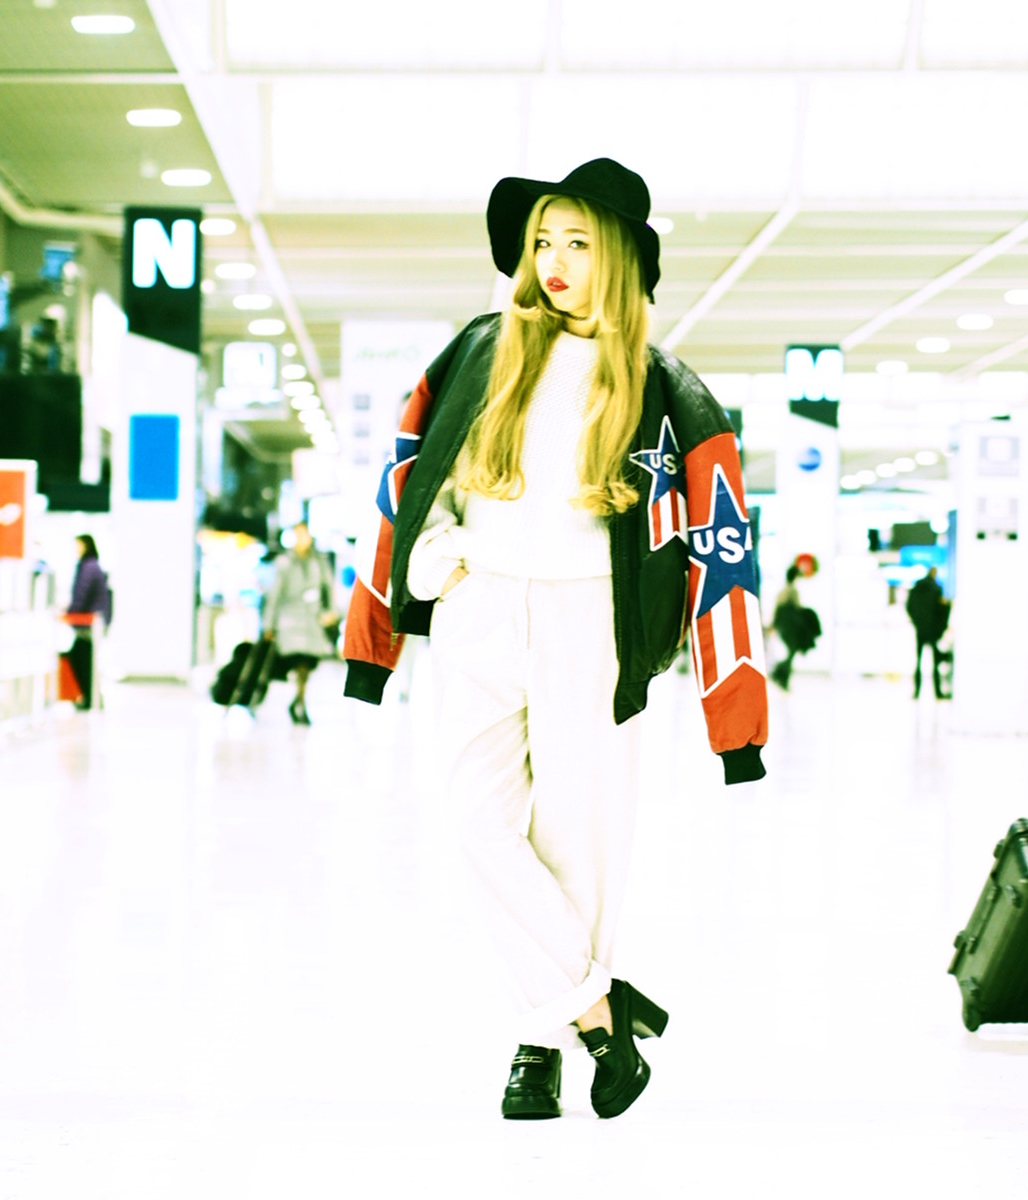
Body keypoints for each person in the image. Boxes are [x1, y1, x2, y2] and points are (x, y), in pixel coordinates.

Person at [341, 158, 769, 1121]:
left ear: (618, 257)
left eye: (577, 241)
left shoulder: (663, 387)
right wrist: (434, 563)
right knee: (475, 824)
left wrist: (735, 723)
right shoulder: (480, 351)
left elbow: (724, 545)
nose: (554, 261)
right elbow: (414, 475)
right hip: (481, 608)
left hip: (597, 624)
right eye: (542, 241)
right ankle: (600, 1011)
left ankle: (539, 1048)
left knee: (580, 845)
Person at [262, 522, 337, 724]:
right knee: (298, 663)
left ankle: (298, 700)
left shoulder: (319, 561)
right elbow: (274, 595)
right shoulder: (284, 562)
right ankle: (300, 703)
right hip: (290, 620)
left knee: (307, 663)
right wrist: (269, 624)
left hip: (312, 619)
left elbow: (328, 588)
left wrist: (330, 612)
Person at [65, 533, 111, 710]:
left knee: (81, 657)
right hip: (91, 622)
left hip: (89, 623)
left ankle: (90, 698)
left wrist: (72, 611)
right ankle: (91, 698)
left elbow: (81, 592)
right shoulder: (91, 565)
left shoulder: (88, 567)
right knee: (84, 658)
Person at [906, 566, 950, 699]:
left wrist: (916, 621)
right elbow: (942, 611)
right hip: (932, 630)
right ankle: (938, 692)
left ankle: (916, 692)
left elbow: (909, 606)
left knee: (918, 661)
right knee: (935, 663)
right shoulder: (937, 589)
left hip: (920, 629)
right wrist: (940, 627)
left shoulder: (916, 588)